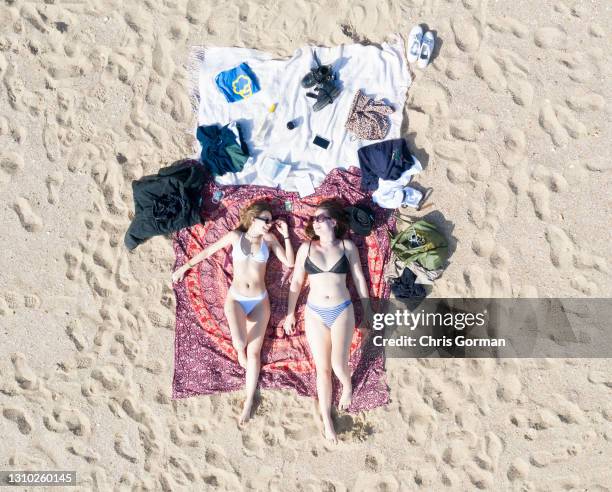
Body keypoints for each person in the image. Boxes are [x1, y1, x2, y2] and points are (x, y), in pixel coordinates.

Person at [172, 200, 294, 424]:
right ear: (252, 218)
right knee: (239, 342)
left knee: (255, 354)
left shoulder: (270, 240)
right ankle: (239, 351)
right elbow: (209, 250)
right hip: (236, 298)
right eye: (264, 219)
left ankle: (248, 401)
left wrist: (285, 235)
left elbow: (290, 262)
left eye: (270, 220)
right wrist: (185, 267)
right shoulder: (235, 237)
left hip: (259, 300)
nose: (268, 224)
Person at [284, 199, 372, 443]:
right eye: (314, 218)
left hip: (342, 308)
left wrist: (368, 311)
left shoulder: (347, 246)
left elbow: (359, 278)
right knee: (321, 369)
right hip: (314, 312)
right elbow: (295, 282)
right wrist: (291, 312)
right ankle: (327, 420)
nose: (315, 221)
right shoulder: (306, 248)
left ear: (333, 222)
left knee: (337, 364)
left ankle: (347, 386)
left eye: (321, 217)